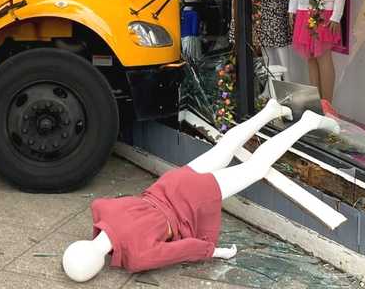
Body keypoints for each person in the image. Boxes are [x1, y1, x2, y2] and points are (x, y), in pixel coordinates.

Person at [62, 99, 340, 281]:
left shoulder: (137, 257)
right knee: (224, 148)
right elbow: (99, 204)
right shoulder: (102, 210)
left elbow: (183, 249)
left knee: (255, 169)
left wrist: (216, 252)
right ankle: (270, 110)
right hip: (173, 183)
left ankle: (307, 123)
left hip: (193, 198)